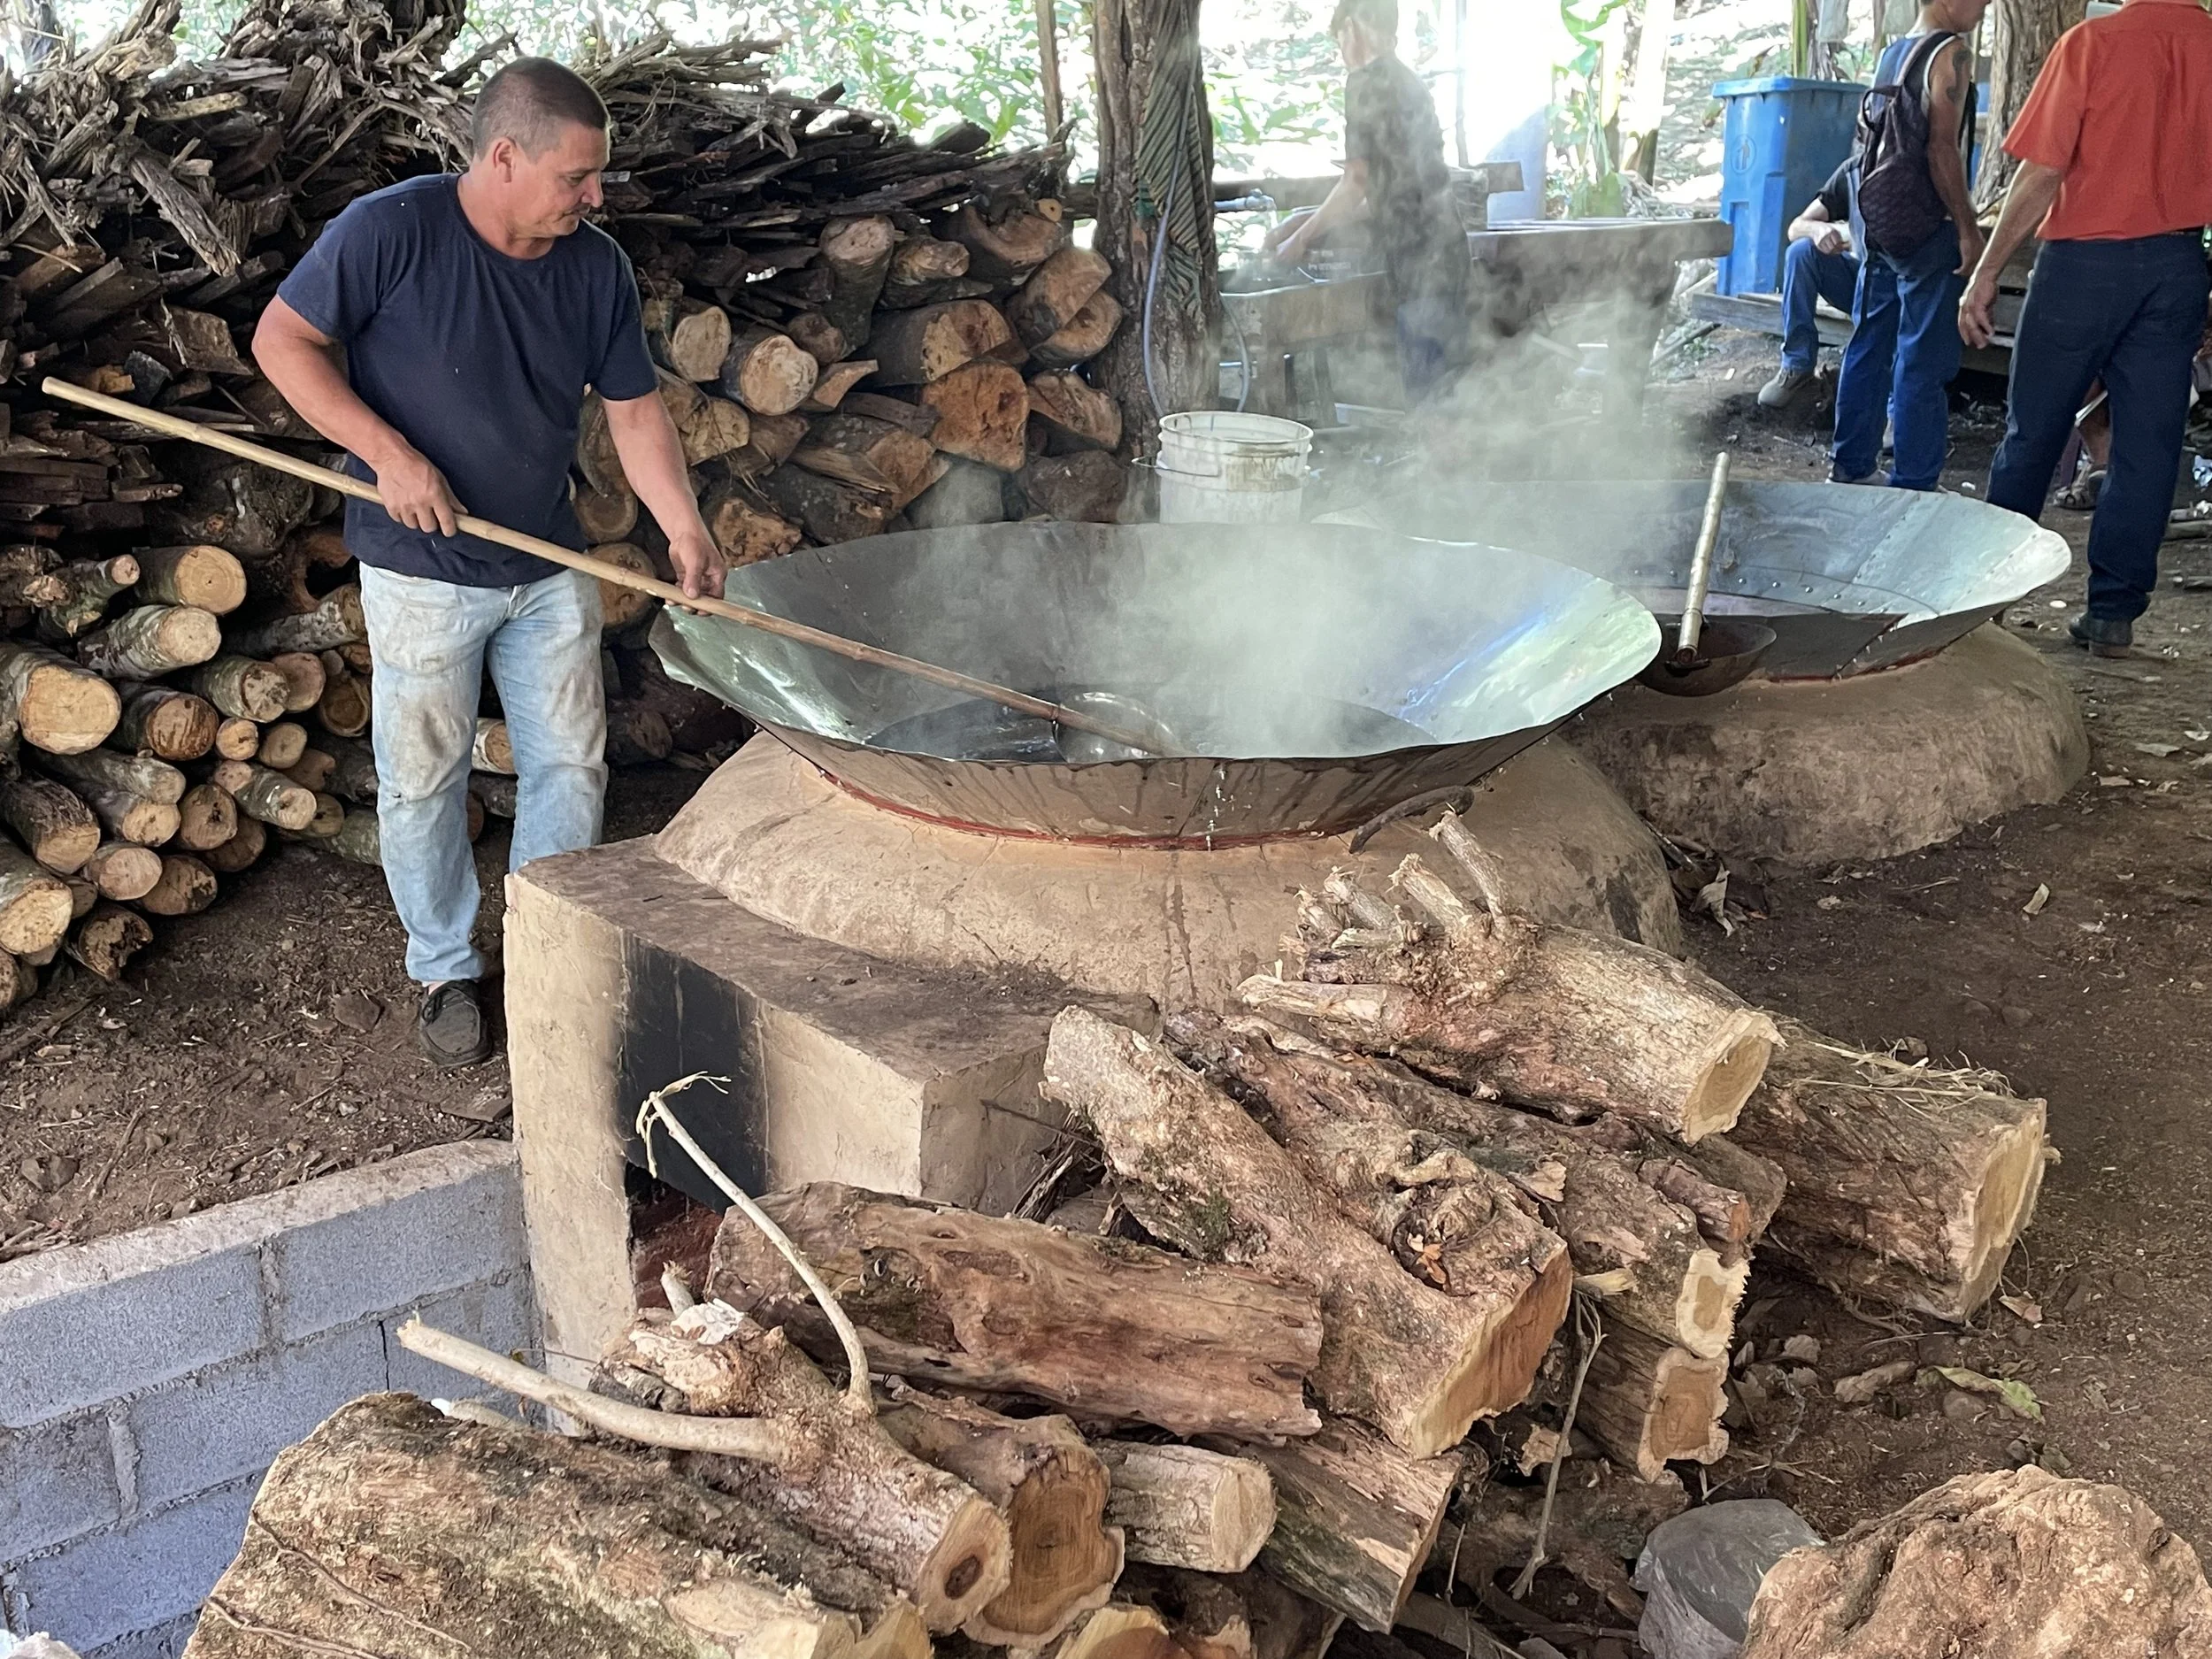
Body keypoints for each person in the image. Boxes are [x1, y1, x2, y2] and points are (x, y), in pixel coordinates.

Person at [252, 59, 726, 1067]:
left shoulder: (595, 267)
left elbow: (635, 410)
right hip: (419, 567)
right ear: (504, 157)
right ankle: (443, 968)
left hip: (545, 560)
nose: (593, 197)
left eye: (597, 179)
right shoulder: (392, 229)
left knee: (570, 763)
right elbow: (281, 340)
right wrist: (390, 456)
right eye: (576, 177)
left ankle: (551, 945)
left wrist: (682, 525)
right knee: (421, 778)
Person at [1963, 0, 2212, 657]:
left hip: (2084, 266)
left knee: (2034, 428)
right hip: (2179, 264)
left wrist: (1986, 271)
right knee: (2148, 444)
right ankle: (2113, 614)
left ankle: (1986, 599)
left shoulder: (2092, 44)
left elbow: (2040, 171)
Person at [1262, 0, 1469, 402]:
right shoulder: (1408, 82)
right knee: (1443, 395)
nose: (1342, 52)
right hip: (1447, 253)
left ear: (1352, 28)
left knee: (1430, 399)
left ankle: (1439, 460)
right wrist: (1305, 220)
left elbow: (1357, 181)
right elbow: (1387, 192)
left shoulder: (1365, 84)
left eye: (1340, 38)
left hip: (1419, 262)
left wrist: (1299, 240)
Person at [1829, 0, 1986, 488]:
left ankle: (1851, 469)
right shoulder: (1951, 53)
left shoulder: (1893, 53)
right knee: (1923, 357)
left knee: (1870, 343)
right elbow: (1941, 148)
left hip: (1877, 218)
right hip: (1924, 224)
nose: (1985, 5)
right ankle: (1914, 483)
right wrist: (1966, 227)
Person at [1759, 160, 1861, 409]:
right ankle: (1797, 366)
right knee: (1801, 252)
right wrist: (1818, 231)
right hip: (1860, 282)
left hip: (1902, 290)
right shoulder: (1853, 173)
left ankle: (1895, 410)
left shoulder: (1924, 169)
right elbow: (1796, 227)